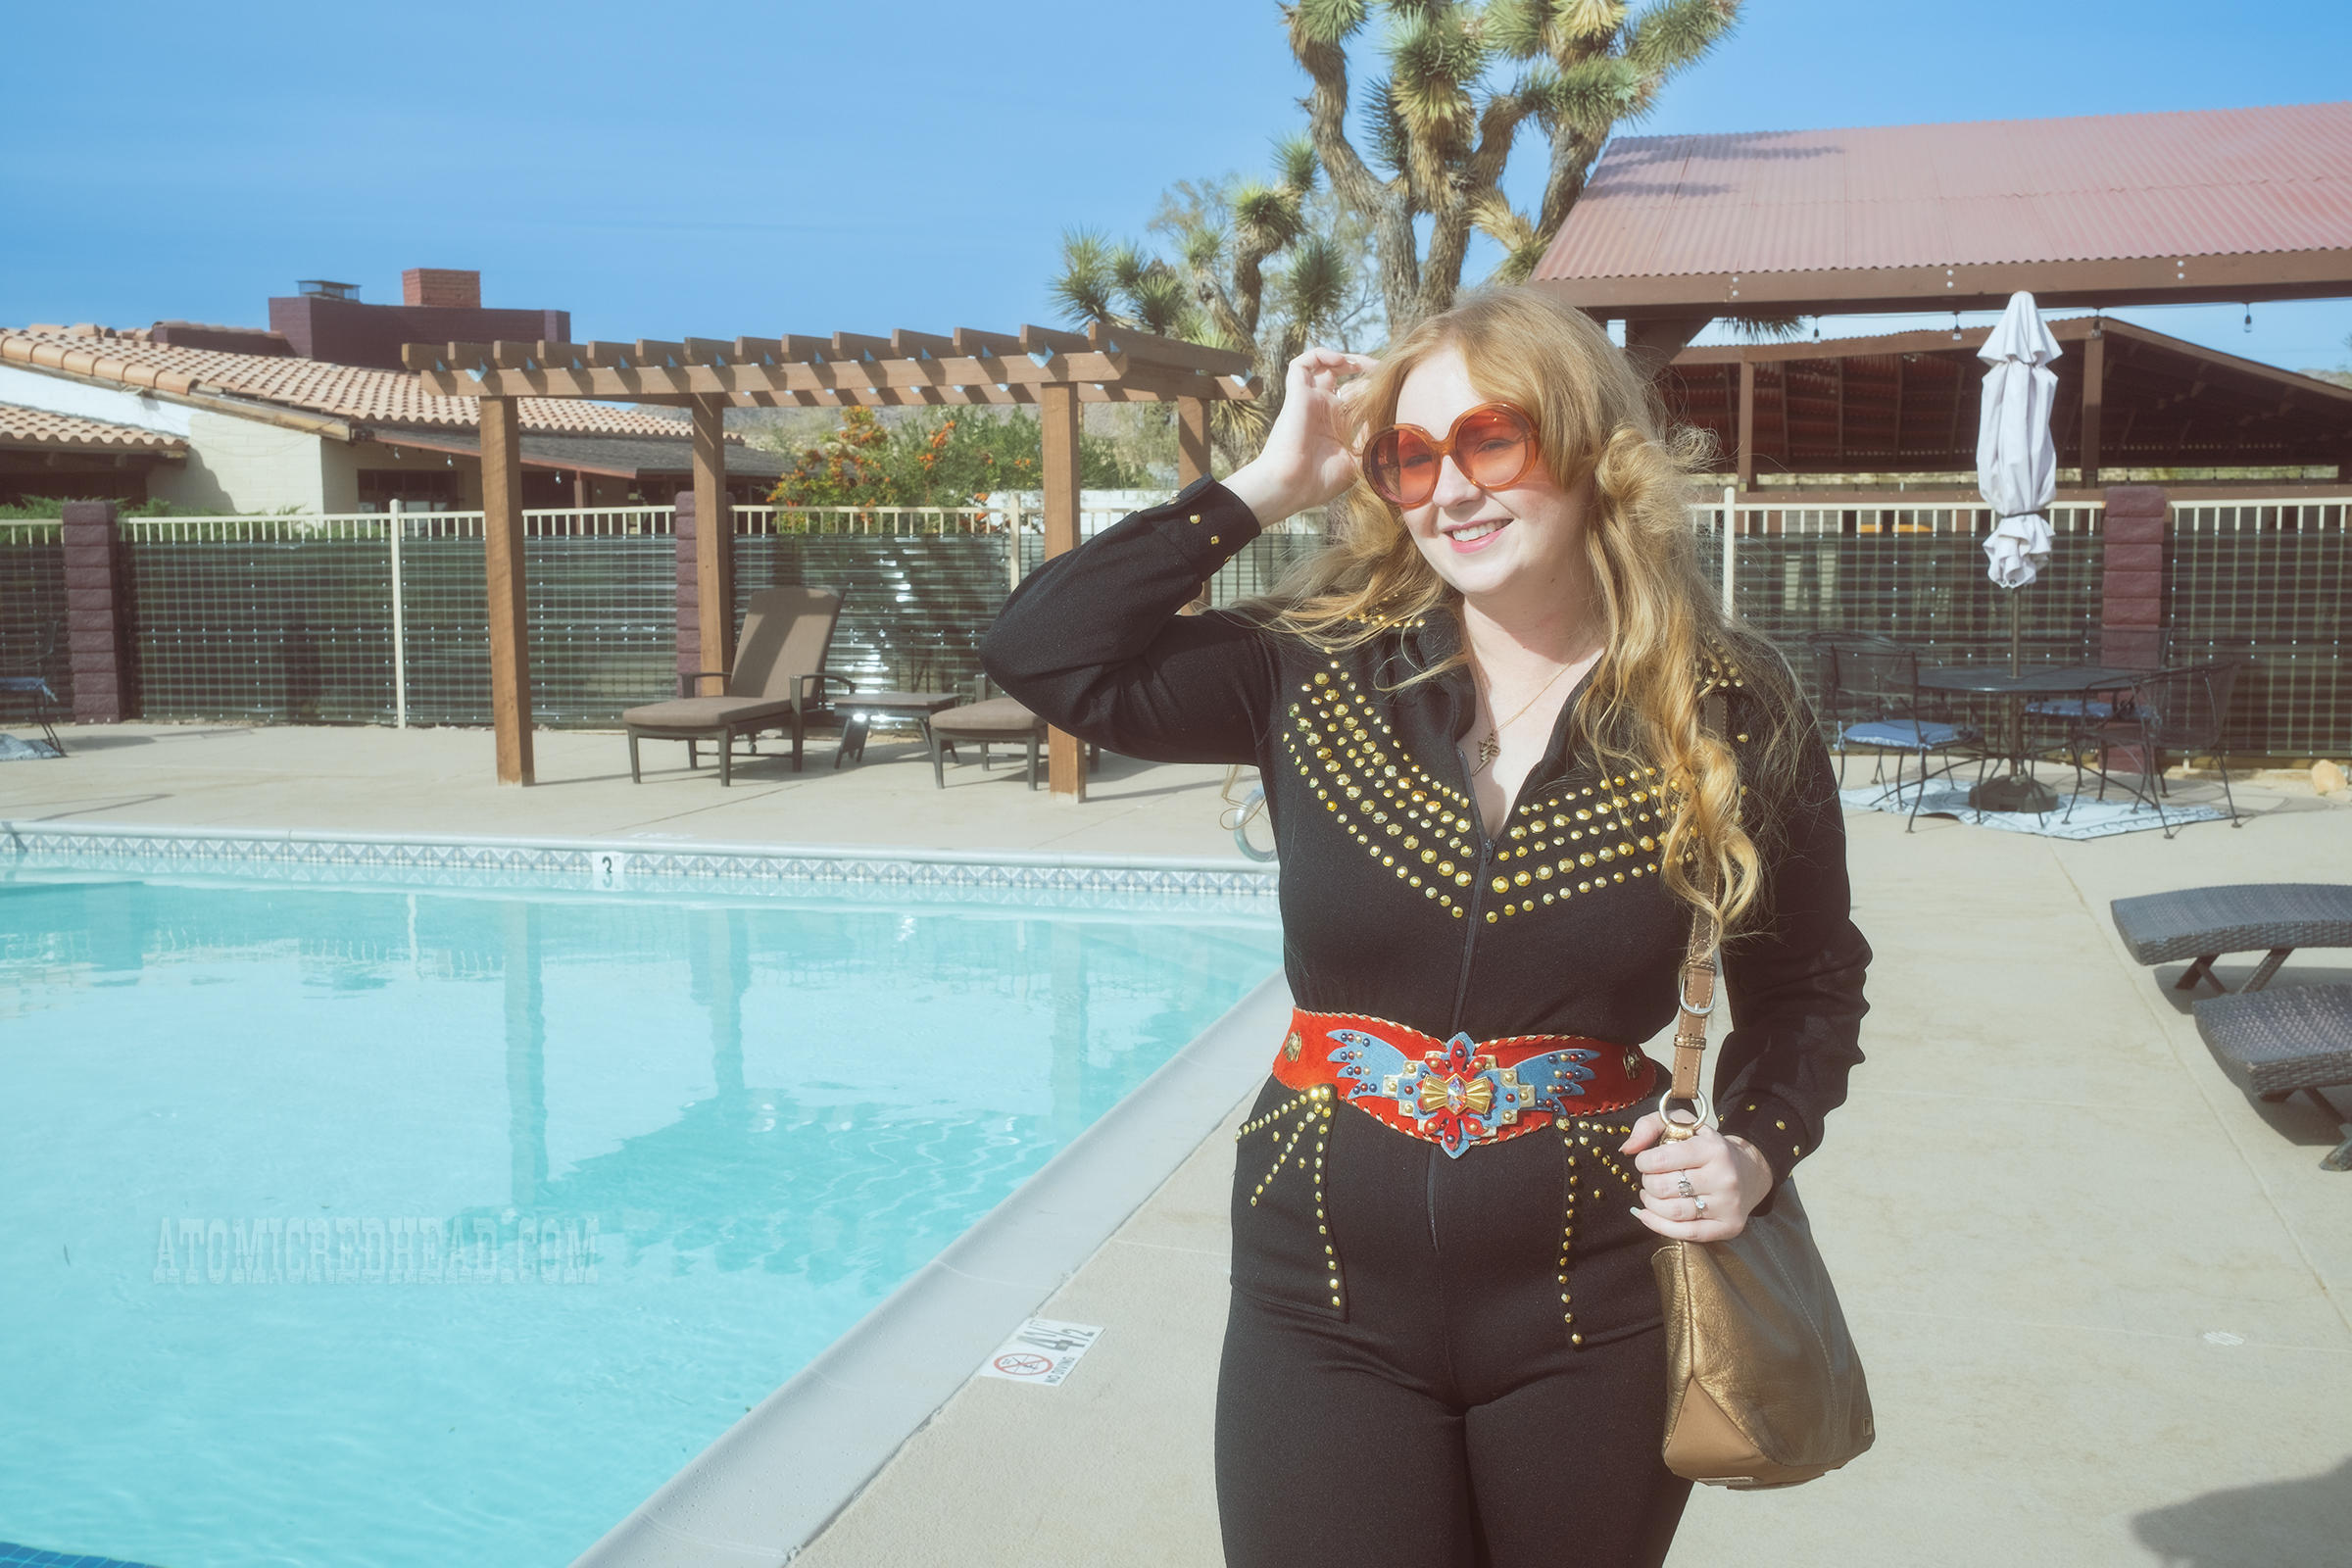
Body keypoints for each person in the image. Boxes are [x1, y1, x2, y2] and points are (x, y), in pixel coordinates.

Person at [981, 287, 1870, 1568]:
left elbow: (1810, 982)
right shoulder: (1313, 665)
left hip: (1598, 1310)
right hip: (1318, 1303)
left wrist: (1757, 1149)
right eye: (1408, 456)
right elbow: (1043, 650)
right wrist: (1265, 487)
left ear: (1589, 446)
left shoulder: (1726, 700)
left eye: (1490, 441)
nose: (1450, 489)